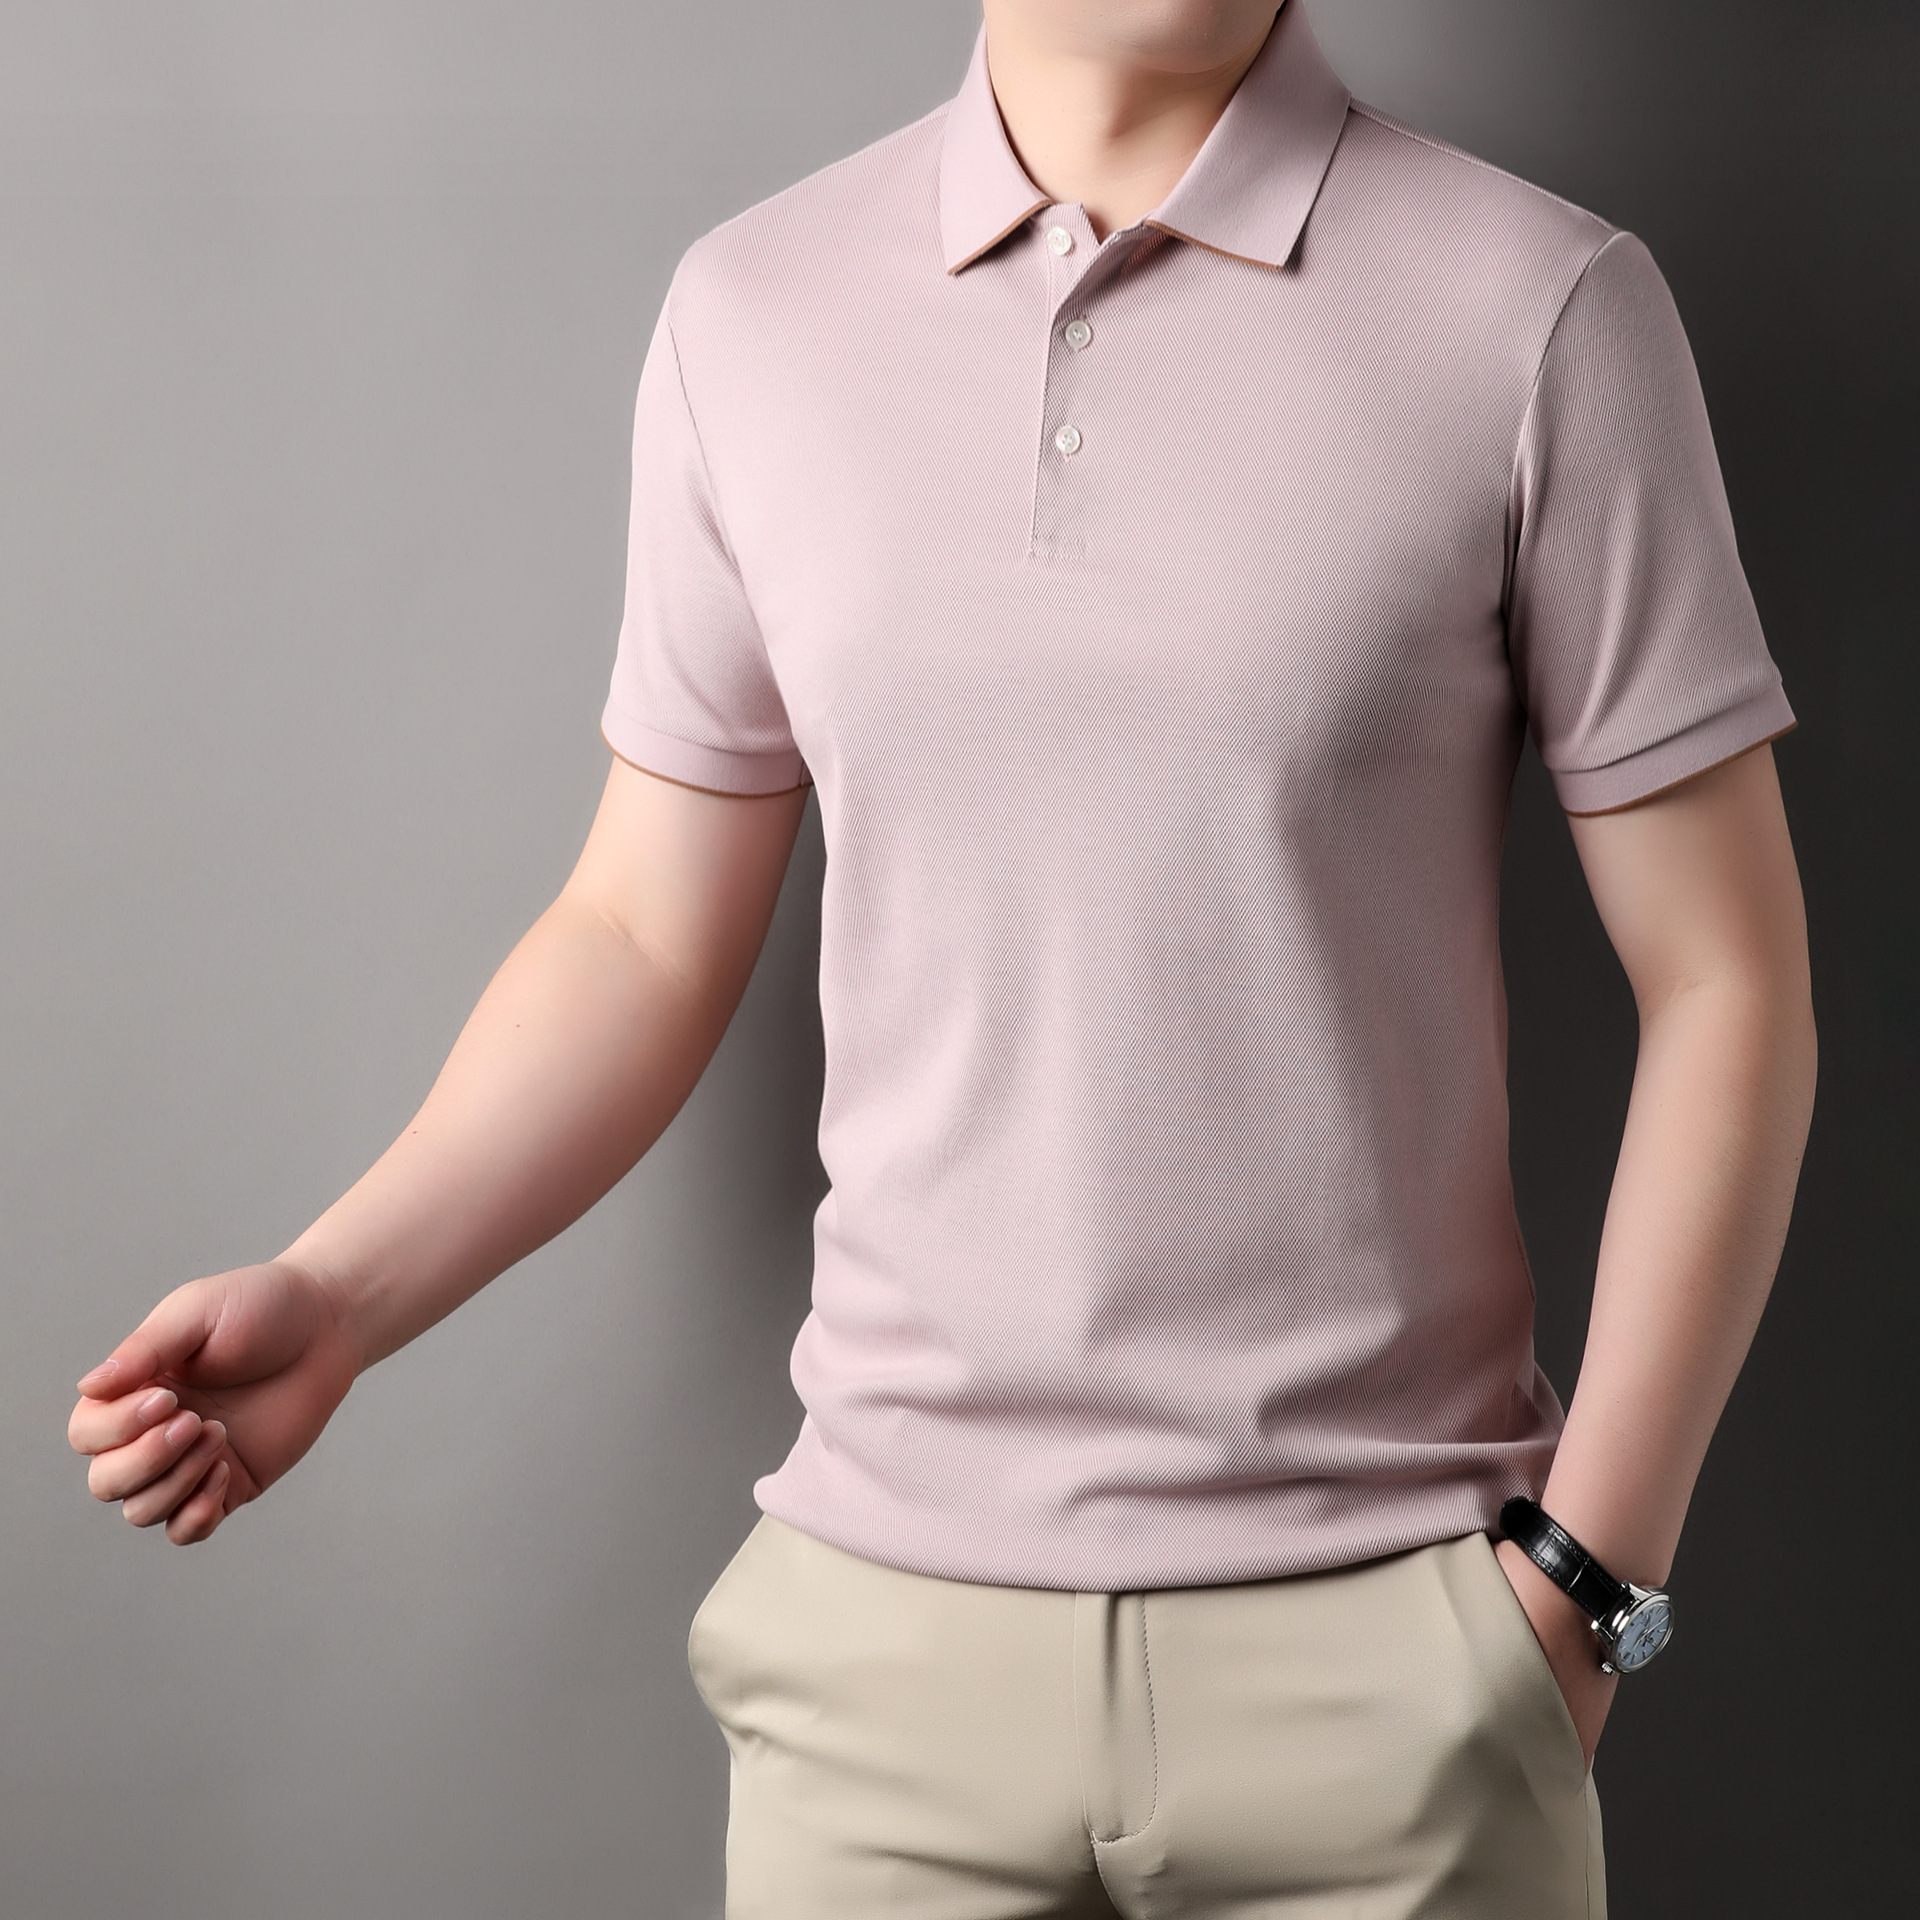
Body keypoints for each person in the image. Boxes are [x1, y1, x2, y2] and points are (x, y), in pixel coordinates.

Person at [68, 3, 1815, 1914]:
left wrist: (1587, 1586)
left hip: (1398, 1667)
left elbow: (1727, 982)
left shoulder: (1542, 310)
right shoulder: (754, 317)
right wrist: (341, 1297)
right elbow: (641, 933)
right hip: (884, 1685)